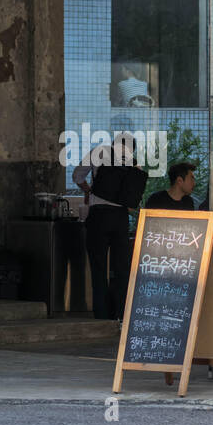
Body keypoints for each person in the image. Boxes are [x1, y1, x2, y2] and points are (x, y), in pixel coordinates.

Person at [73, 133, 138, 320]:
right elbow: (133, 198)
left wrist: (89, 191)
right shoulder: (133, 163)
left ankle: (101, 315)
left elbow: (77, 175)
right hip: (120, 218)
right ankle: (121, 314)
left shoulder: (98, 152)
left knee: (98, 267)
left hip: (99, 216)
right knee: (122, 268)